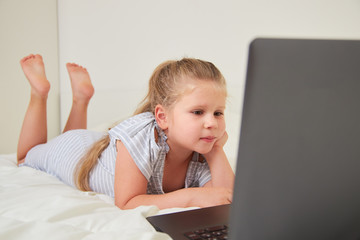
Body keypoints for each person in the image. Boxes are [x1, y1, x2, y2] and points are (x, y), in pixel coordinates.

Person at [17, 54, 234, 210]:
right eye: (198, 112)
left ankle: (80, 99)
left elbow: (227, 198)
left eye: (218, 113)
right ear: (162, 117)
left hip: (97, 147)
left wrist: (215, 150)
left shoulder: (199, 149)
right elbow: (127, 202)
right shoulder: (141, 135)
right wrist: (192, 196)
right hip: (75, 150)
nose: (212, 123)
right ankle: (39, 93)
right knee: (25, 157)